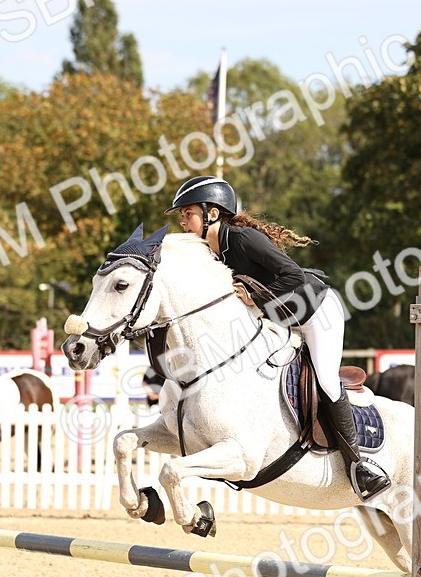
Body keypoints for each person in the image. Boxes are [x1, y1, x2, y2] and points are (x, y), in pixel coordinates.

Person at [166, 175, 390, 500]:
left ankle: (359, 464)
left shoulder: (241, 239)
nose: (184, 221)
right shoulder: (212, 254)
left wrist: (256, 299)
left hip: (315, 313)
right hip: (280, 320)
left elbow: (293, 275)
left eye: (188, 213)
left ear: (212, 213)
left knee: (326, 380)